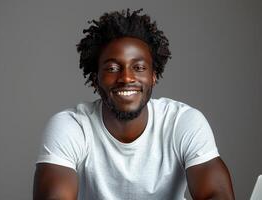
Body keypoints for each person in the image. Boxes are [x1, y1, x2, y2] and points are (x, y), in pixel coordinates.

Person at [33, 9, 235, 200]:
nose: (127, 77)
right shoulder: (72, 127)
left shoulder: (182, 122)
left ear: (154, 76)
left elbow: (217, 194)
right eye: (112, 68)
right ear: (95, 79)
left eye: (138, 67)